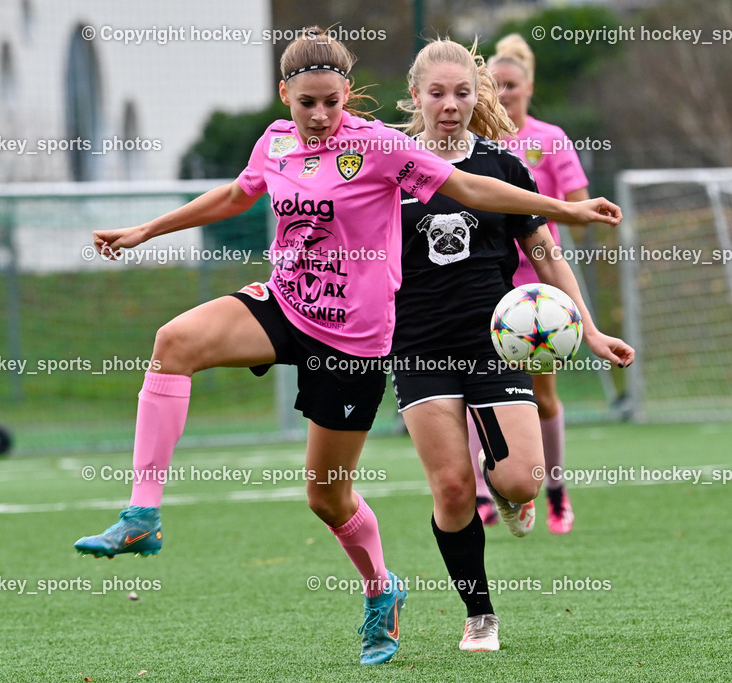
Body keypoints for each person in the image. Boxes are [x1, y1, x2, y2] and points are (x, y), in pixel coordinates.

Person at [72, 27, 621, 666]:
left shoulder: (381, 146)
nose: (321, 115)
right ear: (285, 96)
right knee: (174, 341)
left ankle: (381, 589)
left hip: (355, 343)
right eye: (307, 103)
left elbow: (469, 188)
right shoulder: (275, 141)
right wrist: (148, 228)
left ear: (347, 96)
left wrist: (566, 209)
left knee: (326, 496)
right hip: (286, 305)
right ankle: (143, 511)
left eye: (332, 102)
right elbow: (234, 194)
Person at [391, 39, 633, 651]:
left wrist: (592, 329)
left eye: (463, 93)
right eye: (438, 93)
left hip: (494, 341)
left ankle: (517, 493)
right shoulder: (387, 168)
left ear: (480, 97)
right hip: (417, 345)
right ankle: (479, 616)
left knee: (523, 481)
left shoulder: (504, 166)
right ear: (416, 96)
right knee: (450, 488)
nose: (450, 105)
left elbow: (546, 257)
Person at [463, 33, 599, 534]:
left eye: (512, 86)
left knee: (542, 395)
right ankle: (485, 492)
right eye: (493, 86)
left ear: (529, 86)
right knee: (479, 388)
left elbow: (580, 213)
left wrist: (533, 206)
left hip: (538, 289)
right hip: (484, 283)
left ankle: (556, 489)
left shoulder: (548, 139)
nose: (503, 95)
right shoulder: (474, 147)